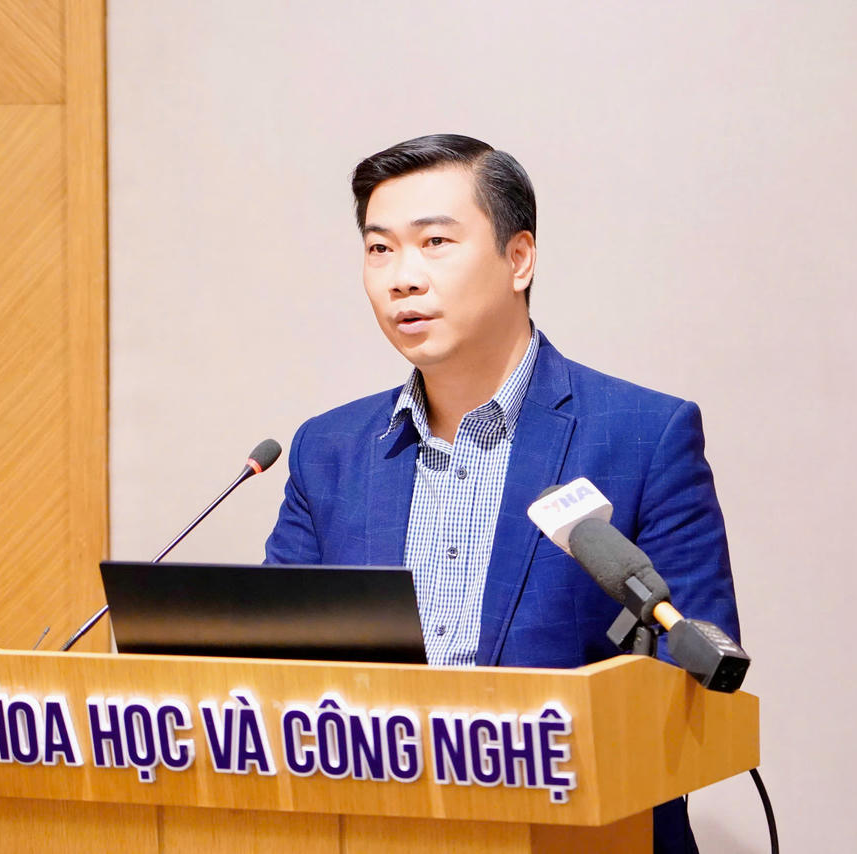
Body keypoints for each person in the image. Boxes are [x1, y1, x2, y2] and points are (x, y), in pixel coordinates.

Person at [264, 134, 739, 853]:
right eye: (380, 249)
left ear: (519, 260)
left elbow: (696, 674)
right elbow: (270, 667)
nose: (402, 277)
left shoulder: (644, 435)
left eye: (435, 242)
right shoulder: (327, 450)